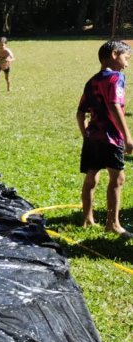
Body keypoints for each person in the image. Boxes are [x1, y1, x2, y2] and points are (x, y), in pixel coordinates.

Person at [77, 40, 133, 238]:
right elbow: (114, 106)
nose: (127, 63)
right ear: (115, 54)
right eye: (127, 58)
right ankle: (113, 224)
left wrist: (86, 135)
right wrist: (127, 136)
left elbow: (80, 112)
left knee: (92, 176)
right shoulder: (117, 77)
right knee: (117, 178)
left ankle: (87, 218)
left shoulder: (91, 81)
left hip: (93, 136)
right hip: (111, 137)